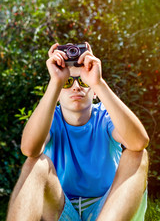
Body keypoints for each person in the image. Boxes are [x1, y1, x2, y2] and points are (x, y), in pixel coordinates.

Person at [7, 42, 149, 221]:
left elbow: (139, 142)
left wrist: (98, 82)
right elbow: (29, 150)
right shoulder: (51, 119)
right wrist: (55, 81)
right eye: (67, 82)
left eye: (82, 81)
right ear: (58, 93)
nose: (76, 87)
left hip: (108, 211)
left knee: (138, 155)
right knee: (35, 163)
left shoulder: (104, 117)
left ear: (94, 92)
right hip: (62, 210)